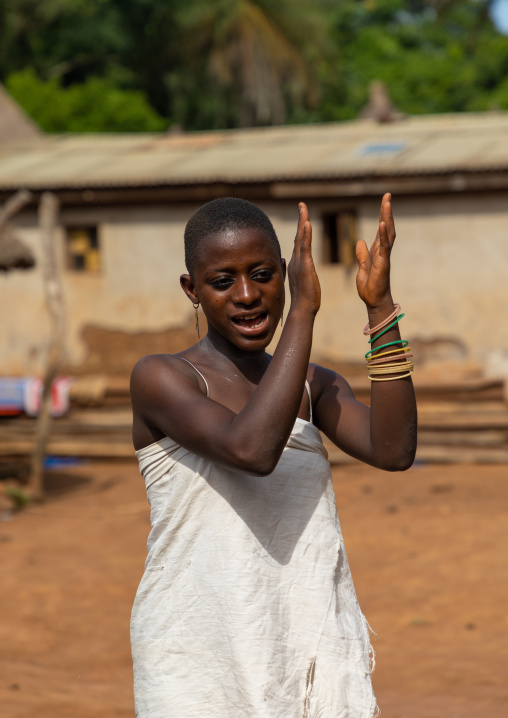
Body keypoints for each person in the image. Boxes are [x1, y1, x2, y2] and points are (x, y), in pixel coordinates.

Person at [130, 193, 417, 718]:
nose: (247, 295)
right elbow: (252, 449)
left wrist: (380, 308)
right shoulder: (163, 378)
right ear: (191, 289)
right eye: (223, 282)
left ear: (285, 273)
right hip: (197, 648)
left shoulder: (313, 385)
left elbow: (393, 450)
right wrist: (303, 311)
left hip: (301, 641)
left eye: (263, 274)